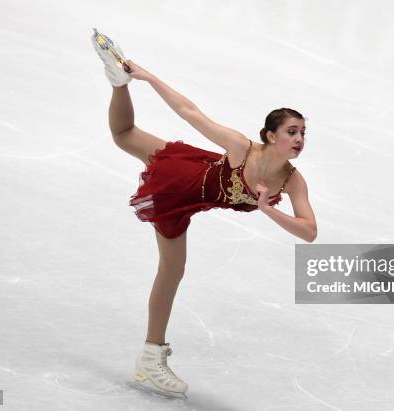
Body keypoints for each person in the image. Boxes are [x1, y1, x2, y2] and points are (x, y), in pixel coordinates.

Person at [91, 29, 317, 398]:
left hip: (199, 174)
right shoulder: (242, 147)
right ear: (270, 135)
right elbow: (189, 111)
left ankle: (118, 85)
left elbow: (309, 231)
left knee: (125, 134)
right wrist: (147, 78)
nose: (299, 139)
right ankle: (151, 356)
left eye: (303, 133)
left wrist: (266, 209)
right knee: (172, 268)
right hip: (182, 183)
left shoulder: (292, 181)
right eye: (292, 131)